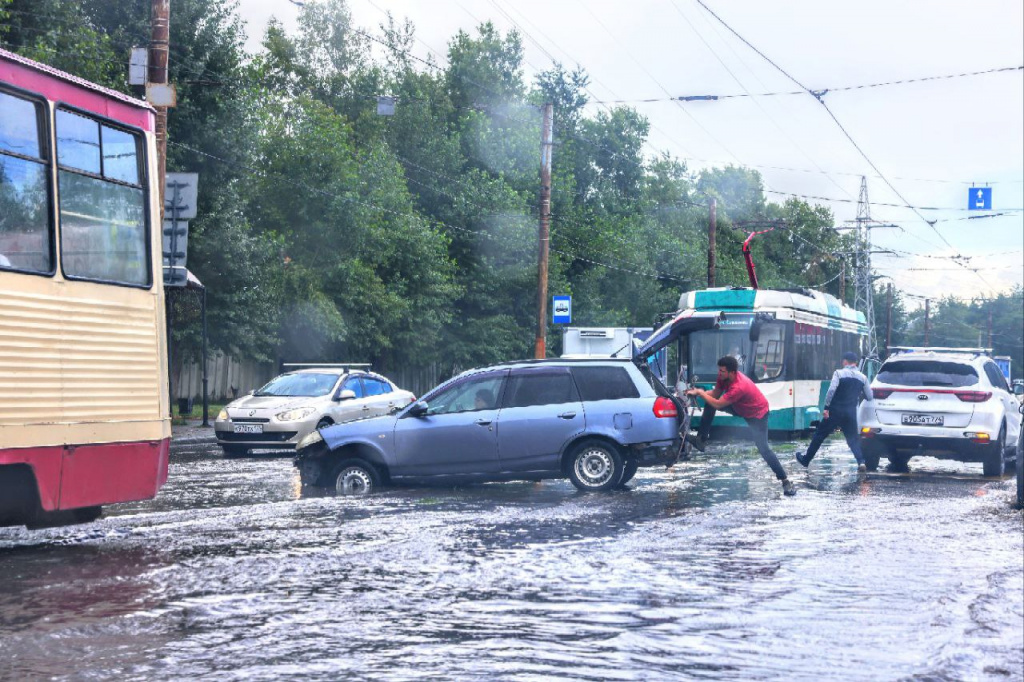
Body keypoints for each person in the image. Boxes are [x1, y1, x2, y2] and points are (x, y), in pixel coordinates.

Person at [686, 355, 796, 496]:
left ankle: (785, 481)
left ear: (732, 372)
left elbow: (718, 403)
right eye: (719, 370)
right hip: (739, 407)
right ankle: (700, 440)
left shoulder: (739, 386)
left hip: (757, 415)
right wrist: (695, 393)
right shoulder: (723, 377)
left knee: (764, 449)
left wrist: (701, 393)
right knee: (710, 402)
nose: (719, 374)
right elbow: (715, 394)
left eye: (722, 371)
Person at [795, 351, 874, 472]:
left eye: (843, 361)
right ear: (856, 363)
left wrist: (826, 407)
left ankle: (806, 460)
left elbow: (831, 391)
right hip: (850, 413)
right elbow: (869, 396)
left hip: (835, 411)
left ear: (845, 361)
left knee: (819, 435)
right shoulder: (862, 377)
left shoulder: (838, 373)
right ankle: (861, 462)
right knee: (852, 439)